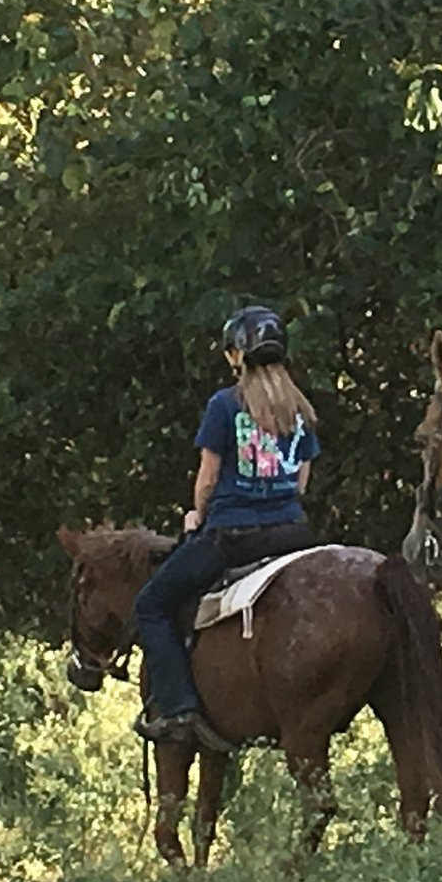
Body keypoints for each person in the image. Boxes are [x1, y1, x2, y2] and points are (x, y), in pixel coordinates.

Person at [131, 308, 322, 744]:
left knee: (152, 605)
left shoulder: (225, 405)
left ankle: (179, 709)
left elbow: (209, 478)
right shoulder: (299, 411)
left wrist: (198, 513)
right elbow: (303, 479)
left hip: (234, 536)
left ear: (238, 355)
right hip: (293, 532)